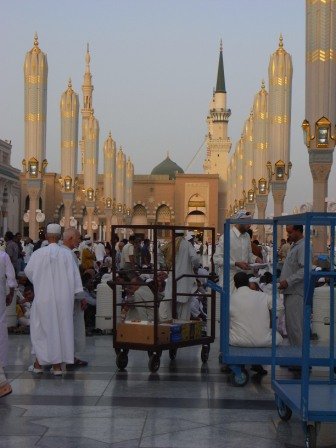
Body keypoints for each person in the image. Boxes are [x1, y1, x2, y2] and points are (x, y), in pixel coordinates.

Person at [24, 223, 83, 375]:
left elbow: (28, 272)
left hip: (44, 298)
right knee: (60, 330)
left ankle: (40, 365)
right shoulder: (67, 255)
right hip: (63, 299)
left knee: (42, 330)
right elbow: (76, 280)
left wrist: (41, 281)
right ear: (59, 238)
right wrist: (78, 295)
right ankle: (55, 367)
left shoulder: (38, 254)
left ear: (45, 236)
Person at [213, 210, 263, 293]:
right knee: (230, 303)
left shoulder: (247, 236)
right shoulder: (227, 236)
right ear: (239, 221)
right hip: (229, 279)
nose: (249, 225)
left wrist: (255, 259)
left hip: (243, 279)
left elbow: (249, 254)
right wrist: (235, 263)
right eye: (247, 222)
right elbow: (216, 258)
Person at [230, 272, 283, 348]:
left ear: (235, 285)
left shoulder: (231, 299)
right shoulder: (264, 296)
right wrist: (272, 318)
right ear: (248, 283)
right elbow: (280, 308)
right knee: (277, 336)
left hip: (237, 341)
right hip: (265, 342)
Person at [159, 229, 200, 320]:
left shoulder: (170, 244)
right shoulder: (187, 244)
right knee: (184, 308)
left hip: (172, 278)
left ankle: (170, 327)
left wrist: (164, 264)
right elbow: (195, 259)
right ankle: (182, 327)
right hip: (184, 280)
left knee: (169, 304)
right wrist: (195, 266)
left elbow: (158, 252)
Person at [62, 228, 88, 368]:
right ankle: (69, 357)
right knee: (71, 326)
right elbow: (75, 278)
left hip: (57, 297)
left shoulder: (55, 252)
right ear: (71, 238)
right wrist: (81, 296)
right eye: (78, 238)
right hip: (70, 298)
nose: (79, 241)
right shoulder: (68, 254)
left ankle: (61, 357)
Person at [278, 225, 306, 348]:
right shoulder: (295, 246)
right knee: (290, 324)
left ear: (299, 231)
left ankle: (300, 359)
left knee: (295, 326)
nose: (288, 235)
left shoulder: (304, 246)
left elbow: (304, 270)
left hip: (295, 291)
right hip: (289, 291)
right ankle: (295, 356)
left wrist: (288, 281)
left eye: (290, 232)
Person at [0, 250, 17, 397]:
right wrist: (11, 293)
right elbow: (11, 278)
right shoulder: (3, 255)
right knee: (1, 328)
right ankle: (2, 363)